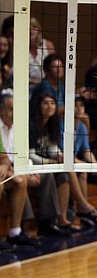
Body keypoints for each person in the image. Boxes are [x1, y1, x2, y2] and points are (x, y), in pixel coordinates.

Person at [30, 91, 97, 229]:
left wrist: (59, 155)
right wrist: (52, 161)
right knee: (68, 168)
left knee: (66, 172)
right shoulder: (32, 125)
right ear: (38, 106)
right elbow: (30, 155)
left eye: (52, 103)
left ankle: (63, 219)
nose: (49, 106)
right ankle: (82, 205)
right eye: (45, 103)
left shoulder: (51, 124)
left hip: (47, 163)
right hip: (32, 165)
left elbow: (52, 147)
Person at [0, 90, 66, 238]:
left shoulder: (17, 127)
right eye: (10, 109)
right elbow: (7, 158)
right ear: (1, 110)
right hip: (11, 170)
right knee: (21, 180)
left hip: (18, 167)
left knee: (47, 175)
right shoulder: (11, 127)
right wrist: (25, 172)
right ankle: (21, 227)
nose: (14, 113)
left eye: (16, 110)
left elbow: (23, 155)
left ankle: (47, 223)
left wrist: (30, 170)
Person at [28, 16, 55, 86]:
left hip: (46, 85)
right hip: (27, 85)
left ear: (38, 29)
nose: (31, 30)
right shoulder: (20, 47)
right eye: (28, 28)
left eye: (34, 27)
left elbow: (54, 68)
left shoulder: (48, 45)